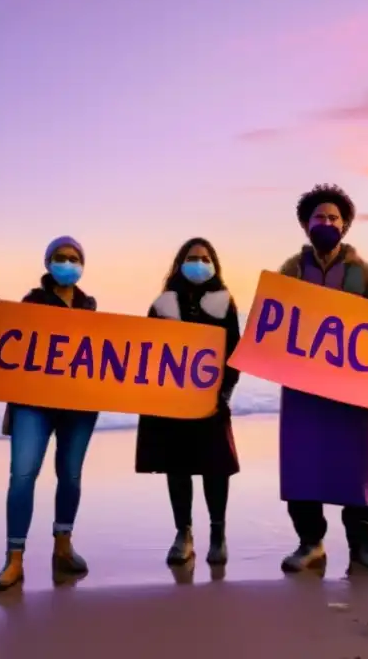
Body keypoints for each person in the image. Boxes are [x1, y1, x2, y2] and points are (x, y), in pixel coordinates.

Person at [277, 184, 368, 575]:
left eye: (334, 218)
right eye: (319, 217)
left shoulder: (363, 273)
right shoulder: (290, 270)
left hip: (351, 392)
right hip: (302, 392)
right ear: (306, 224)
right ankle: (310, 544)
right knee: (303, 465)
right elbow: (270, 326)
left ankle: (362, 548)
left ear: (345, 225)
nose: (326, 223)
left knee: (356, 465)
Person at [0, 236, 100, 593]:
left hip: (78, 406)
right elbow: (11, 343)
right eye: (60, 257)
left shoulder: (90, 307)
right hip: (33, 405)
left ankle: (62, 548)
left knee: (71, 475)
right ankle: (14, 560)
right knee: (22, 475)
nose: (67, 262)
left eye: (74, 257)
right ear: (48, 263)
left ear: (83, 265)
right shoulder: (30, 303)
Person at [135, 237, 241, 568]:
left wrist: (223, 393)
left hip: (212, 401)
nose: (199, 263)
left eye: (205, 258)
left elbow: (234, 353)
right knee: (177, 468)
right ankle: (184, 534)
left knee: (215, 468)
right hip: (171, 402)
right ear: (180, 263)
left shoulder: (225, 303)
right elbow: (145, 351)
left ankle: (218, 534)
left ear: (214, 265)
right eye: (193, 257)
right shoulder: (163, 303)